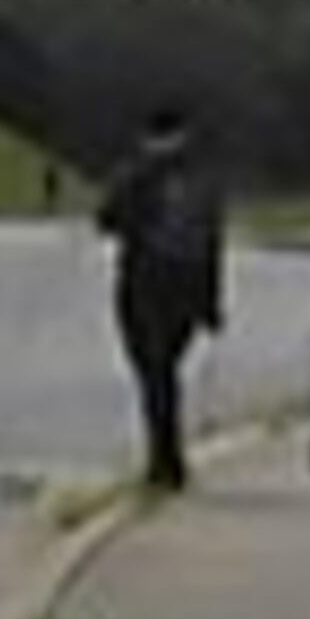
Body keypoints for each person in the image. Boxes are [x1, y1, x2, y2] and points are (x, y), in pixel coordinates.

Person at [95, 106, 225, 490]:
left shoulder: (137, 176)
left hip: (144, 284)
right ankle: (168, 457)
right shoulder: (203, 182)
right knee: (165, 371)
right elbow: (212, 243)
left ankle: (163, 461)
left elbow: (105, 218)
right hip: (188, 288)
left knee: (152, 373)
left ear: (147, 137)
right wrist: (212, 303)